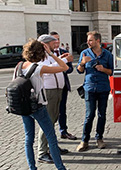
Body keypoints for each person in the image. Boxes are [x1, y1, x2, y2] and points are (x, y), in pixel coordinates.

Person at [20, 38, 68, 170]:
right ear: (41, 53)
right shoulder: (38, 68)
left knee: (29, 139)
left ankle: (32, 168)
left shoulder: (19, 66)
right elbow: (64, 67)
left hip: (24, 107)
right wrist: (51, 54)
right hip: (38, 107)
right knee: (51, 138)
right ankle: (60, 168)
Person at [37, 34, 73, 163]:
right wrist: (61, 60)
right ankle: (42, 152)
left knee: (53, 120)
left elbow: (56, 65)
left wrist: (59, 58)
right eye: (53, 43)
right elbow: (52, 68)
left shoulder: (50, 56)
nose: (56, 44)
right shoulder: (40, 58)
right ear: (45, 45)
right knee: (47, 122)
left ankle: (52, 146)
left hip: (57, 91)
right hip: (49, 92)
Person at [76, 31, 113, 152]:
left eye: (90, 40)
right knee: (89, 115)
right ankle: (84, 140)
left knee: (102, 114)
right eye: (88, 40)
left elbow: (112, 71)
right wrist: (82, 63)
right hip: (90, 88)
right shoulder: (84, 53)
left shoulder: (107, 54)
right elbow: (79, 71)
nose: (88, 42)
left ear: (98, 41)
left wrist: (103, 69)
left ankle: (99, 138)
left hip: (103, 88)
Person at [50, 31, 77, 140]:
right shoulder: (47, 54)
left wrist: (63, 69)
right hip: (51, 88)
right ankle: (50, 135)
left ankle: (63, 131)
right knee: (51, 112)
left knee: (62, 110)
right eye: (54, 40)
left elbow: (70, 68)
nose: (56, 42)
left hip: (63, 85)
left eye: (58, 39)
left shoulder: (64, 52)